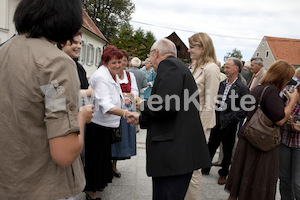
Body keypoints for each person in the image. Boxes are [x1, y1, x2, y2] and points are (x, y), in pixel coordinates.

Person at [0, 0, 94, 199]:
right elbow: (64, 153)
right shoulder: (55, 64)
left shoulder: (4, 51)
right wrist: (81, 118)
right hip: (40, 185)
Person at [128, 38, 211, 200]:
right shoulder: (178, 67)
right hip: (178, 154)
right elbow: (175, 109)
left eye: (150, 56)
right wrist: (142, 119)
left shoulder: (169, 66)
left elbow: (166, 104)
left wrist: (143, 106)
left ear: (155, 53)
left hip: (173, 155)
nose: (150, 61)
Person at [225, 60, 299, 200]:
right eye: (288, 79)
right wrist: (293, 101)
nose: (289, 82)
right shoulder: (271, 91)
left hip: (249, 137)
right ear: (281, 77)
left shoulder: (259, 87)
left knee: (241, 185)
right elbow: (280, 119)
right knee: (256, 185)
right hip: (261, 142)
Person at [84, 45, 139, 200]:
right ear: (105, 62)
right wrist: (126, 113)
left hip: (107, 125)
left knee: (102, 158)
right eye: (113, 62)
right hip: (98, 125)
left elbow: (113, 94)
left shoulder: (111, 74)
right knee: (95, 159)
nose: (117, 65)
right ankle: (91, 190)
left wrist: (123, 99)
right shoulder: (102, 76)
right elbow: (106, 106)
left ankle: (98, 184)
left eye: (119, 62)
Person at [202, 57, 249, 185]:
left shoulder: (242, 88)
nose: (225, 69)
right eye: (225, 67)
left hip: (229, 124)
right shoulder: (222, 83)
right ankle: (205, 167)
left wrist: (231, 119)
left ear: (236, 69)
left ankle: (223, 174)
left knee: (227, 150)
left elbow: (245, 108)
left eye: (228, 67)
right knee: (211, 144)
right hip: (217, 119)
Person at [185, 32, 221, 200]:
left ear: (203, 48)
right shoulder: (195, 66)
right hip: (189, 123)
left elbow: (210, 103)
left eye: (192, 47)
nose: (189, 50)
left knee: (194, 168)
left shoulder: (211, 68)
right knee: (187, 166)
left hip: (199, 125)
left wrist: (199, 129)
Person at [111, 49, 138, 178]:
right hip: (113, 111)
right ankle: (107, 165)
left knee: (120, 141)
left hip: (125, 110)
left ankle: (114, 166)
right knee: (111, 139)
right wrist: (125, 95)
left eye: (125, 60)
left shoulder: (129, 75)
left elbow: (135, 93)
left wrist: (127, 96)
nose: (122, 63)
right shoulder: (111, 75)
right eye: (120, 60)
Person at [279, 84, 300, 200]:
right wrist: (288, 118)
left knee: (297, 182)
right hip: (286, 142)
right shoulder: (292, 93)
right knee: (284, 179)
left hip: (298, 145)